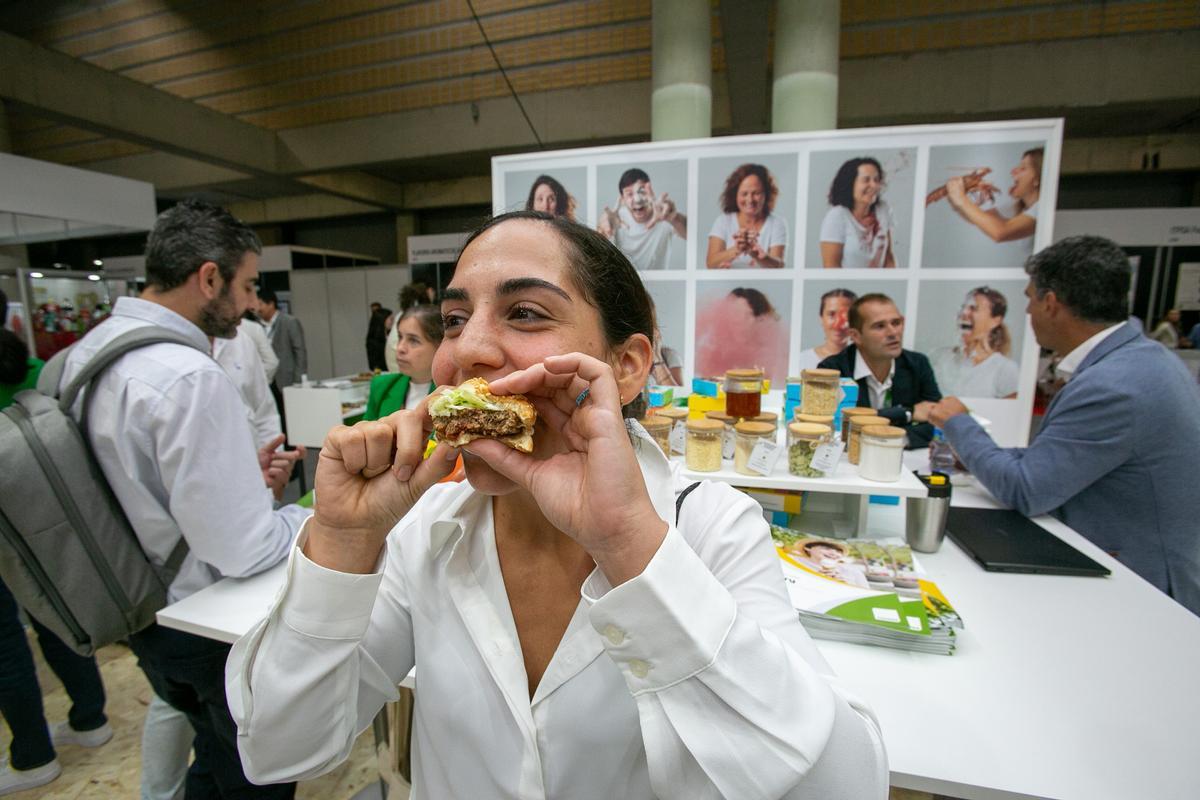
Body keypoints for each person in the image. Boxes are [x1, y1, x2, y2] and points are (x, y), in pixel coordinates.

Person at [227, 211, 888, 798]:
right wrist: (343, 542)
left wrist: (629, 546)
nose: (466, 350)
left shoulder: (712, 527)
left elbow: (843, 788)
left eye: (525, 313)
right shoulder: (426, 529)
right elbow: (279, 750)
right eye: (454, 320)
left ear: (627, 366)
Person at [56, 199, 310, 798]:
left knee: (211, 756)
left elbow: (131, 478)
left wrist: (236, 479)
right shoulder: (189, 376)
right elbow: (245, 550)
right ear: (209, 278)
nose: (250, 303)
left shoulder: (89, 352)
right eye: (246, 286)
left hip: (140, 608)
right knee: (258, 777)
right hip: (203, 623)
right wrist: (321, 518)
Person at [930, 236, 1200, 617]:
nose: (1027, 311)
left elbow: (1026, 489)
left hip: (1141, 592)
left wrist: (958, 423)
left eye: (1030, 299)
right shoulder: (1143, 361)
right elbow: (1068, 456)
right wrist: (982, 458)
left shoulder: (1113, 384)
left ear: (1051, 303)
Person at [0, 304, 113, 797]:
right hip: (47, 519)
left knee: (5, 643)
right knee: (56, 614)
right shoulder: (35, 370)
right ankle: (90, 718)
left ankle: (32, 755)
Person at [819, 293, 941, 448]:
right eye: (880, 326)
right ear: (856, 336)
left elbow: (939, 422)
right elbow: (836, 430)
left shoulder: (917, 364)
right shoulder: (832, 370)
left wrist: (890, 439)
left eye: (896, 323)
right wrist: (907, 414)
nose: (893, 333)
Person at [930, 287, 1020, 398]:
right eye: (963, 307)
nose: (963, 313)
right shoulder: (938, 357)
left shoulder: (1005, 369)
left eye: (974, 308)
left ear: (995, 321)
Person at [943, 147, 1042, 244]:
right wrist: (954, 199)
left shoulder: (1041, 208)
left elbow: (1000, 233)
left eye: (1023, 168)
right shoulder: (1018, 206)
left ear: (1037, 179)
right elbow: (977, 219)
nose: (1013, 171)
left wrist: (961, 199)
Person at [597, 168, 687, 270]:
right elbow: (597, 258)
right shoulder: (616, 219)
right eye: (629, 194)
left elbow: (691, 232)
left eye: (642, 191)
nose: (637, 199)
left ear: (650, 191)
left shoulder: (663, 215)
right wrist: (604, 232)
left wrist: (673, 218)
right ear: (622, 199)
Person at [695, 287, 789, 382]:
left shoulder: (775, 356)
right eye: (734, 314)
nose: (737, 321)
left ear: (759, 318)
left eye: (747, 314)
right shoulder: (716, 351)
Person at [364, 304, 442, 420]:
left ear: (440, 346)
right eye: (400, 337)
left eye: (413, 340)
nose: (400, 348)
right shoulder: (382, 386)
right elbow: (365, 429)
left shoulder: (452, 394)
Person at [706, 163, 787, 268]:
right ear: (735, 195)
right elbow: (710, 263)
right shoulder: (723, 221)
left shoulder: (776, 223)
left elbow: (779, 265)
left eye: (756, 193)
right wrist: (737, 249)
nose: (750, 200)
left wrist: (755, 253)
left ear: (766, 194)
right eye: (744, 194)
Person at [819, 158, 896, 268]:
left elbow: (888, 257)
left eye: (876, 179)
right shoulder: (836, 216)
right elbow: (831, 266)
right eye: (866, 180)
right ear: (850, 184)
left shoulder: (883, 209)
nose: (874, 185)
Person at [797, 288, 857, 371]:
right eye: (831, 314)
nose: (838, 323)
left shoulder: (866, 363)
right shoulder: (801, 361)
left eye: (846, 315)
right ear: (821, 318)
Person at [258, 288, 306, 390]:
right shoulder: (256, 326)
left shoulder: (289, 322)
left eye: (260, 304)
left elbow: (300, 352)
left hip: (286, 379)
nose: (258, 309)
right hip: (265, 380)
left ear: (271, 304)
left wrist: (298, 380)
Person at [366, 302, 392, 371]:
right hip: (384, 373)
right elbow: (374, 364)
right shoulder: (373, 340)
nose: (392, 322)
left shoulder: (391, 334)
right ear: (382, 320)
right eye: (390, 319)